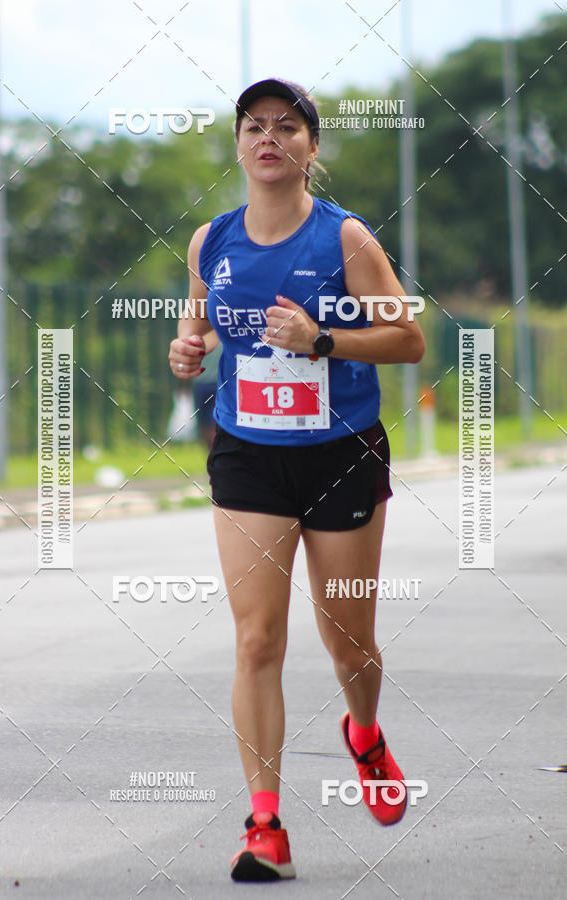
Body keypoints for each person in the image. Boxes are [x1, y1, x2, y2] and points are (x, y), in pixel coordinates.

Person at [168, 78, 425, 883]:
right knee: (256, 639)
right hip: (248, 451)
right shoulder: (210, 240)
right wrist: (187, 348)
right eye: (254, 126)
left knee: (348, 642)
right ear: (239, 145)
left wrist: (322, 342)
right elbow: (201, 317)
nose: (268, 137)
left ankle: (364, 732)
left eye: (288, 126)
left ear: (313, 148)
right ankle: (265, 825)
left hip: (340, 448)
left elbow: (409, 339)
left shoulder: (345, 239)